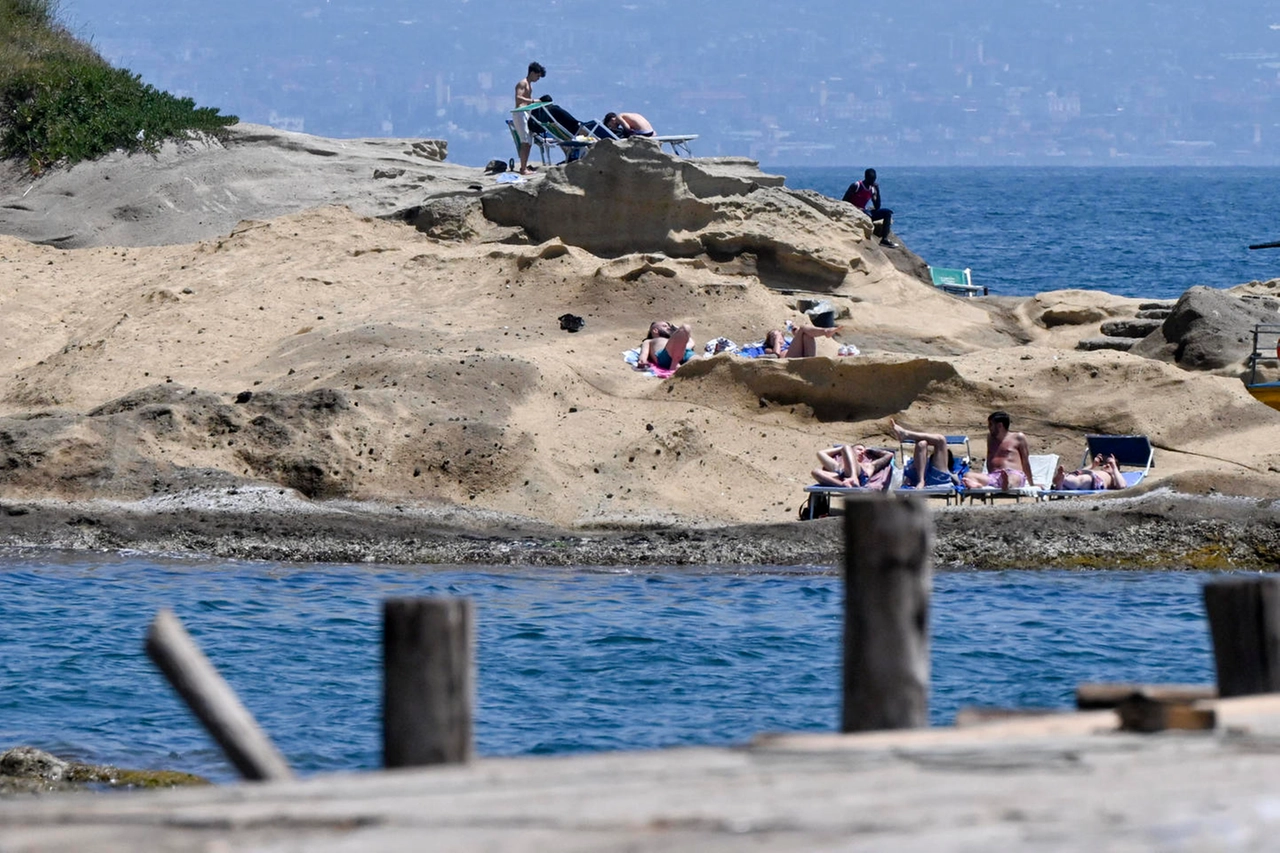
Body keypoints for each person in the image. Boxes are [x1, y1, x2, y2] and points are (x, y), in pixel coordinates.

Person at [962, 411, 1036, 490]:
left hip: (1013, 473)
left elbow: (1025, 462)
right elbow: (990, 458)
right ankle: (979, 485)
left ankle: (1006, 484)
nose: (989, 427)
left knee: (1012, 478)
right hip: (994, 476)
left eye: (991, 424)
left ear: (1000, 425)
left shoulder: (1018, 437)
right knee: (968, 475)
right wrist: (989, 475)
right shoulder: (990, 438)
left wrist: (1032, 484)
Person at [889, 419, 963, 489]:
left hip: (936, 479)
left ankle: (906, 434)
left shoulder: (942, 467)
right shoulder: (925, 462)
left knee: (939, 440)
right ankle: (906, 434)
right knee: (924, 443)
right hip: (932, 478)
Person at [841, 168, 897, 248]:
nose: (872, 182)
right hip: (855, 211)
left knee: (887, 212)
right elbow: (844, 201)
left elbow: (877, 206)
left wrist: (878, 190)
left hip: (865, 212)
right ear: (866, 177)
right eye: (870, 179)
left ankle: (884, 239)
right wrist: (855, 208)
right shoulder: (856, 185)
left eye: (873, 179)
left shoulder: (872, 189)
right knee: (867, 213)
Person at [812, 444, 894, 490]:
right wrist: (843, 448)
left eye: (864, 452)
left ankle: (853, 477)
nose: (862, 452)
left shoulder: (869, 465)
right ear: (851, 451)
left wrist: (871, 450)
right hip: (843, 478)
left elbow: (889, 455)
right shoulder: (839, 465)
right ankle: (843, 486)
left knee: (846, 447)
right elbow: (820, 453)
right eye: (859, 449)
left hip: (860, 477)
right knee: (815, 471)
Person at [512, 61, 546, 175]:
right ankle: (523, 168)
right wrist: (533, 101)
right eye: (537, 75)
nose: (538, 78)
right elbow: (518, 98)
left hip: (526, 113)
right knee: (525, 141)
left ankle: (524, 166)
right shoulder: (522, 83)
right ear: (532, 72)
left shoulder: (529, 85)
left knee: (529, 142)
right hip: (520, 113)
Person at [1052, 453, 1127, 491]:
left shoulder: (1113, 477)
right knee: (1076, 475)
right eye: (1105, 464)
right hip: (1088, 475)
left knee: (1083, 479)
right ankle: (1061, 482)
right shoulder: (1099, 470)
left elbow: (1122, 486)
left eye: (1109, 465)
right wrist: (1093, 465)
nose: (1106, 465)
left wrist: (1114, 466)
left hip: (1095, 480)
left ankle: (1063, 480)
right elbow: (1082, 471)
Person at [762, 323, 842, 358]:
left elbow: (798, 347)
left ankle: (825, 331)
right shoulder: (768, 349)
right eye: (773, 336)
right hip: (788, 360)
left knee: (806, 334)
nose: (777, 337)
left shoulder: (788, 343)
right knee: (803, 328)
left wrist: (797, 333)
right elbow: (776, 355)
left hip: (803, 356)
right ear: (769, 342)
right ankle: (825, 331)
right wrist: (777, 341)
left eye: (779, 335)